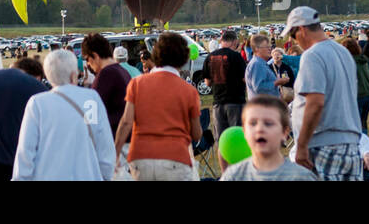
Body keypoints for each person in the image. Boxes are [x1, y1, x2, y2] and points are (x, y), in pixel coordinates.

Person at [12, 49, 114, 181]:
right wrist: (105, 175)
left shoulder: (37, 103)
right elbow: (104, 147)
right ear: (73, 75)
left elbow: (25, 153)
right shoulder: (91, 99)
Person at [286, 6, 362, 180]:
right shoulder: (343, 52)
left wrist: (302, 145)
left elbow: (315, 103)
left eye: (293, 35)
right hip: (350, 143)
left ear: (302, 30)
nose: (295, 41)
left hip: (323, 144)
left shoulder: (312, 55)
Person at [114, 32, 202, 181]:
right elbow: (196, 134)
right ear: (183, 58)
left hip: (141, 159)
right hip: (175, 158)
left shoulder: (137, 84)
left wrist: (115, 153)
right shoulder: (189, 91)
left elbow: (126, 123)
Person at [220, 95, 316, 181]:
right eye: (253, 123)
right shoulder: (233, 176)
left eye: (268, 123)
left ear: (284, 133)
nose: (260, 129)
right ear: (244, 131)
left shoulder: (301, 177)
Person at [198, 28, 247, 169]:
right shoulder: (236, 57)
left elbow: (207, 83)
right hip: (236, 102)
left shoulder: (210, 57)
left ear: (221, 41)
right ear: (234, 41)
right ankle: (238, 171)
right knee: (237, 138)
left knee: (222, 140)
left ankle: (225, 174)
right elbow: (245, 78)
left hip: (218, 102)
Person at [80, 33, 130, 138]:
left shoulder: (106, 75)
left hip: (113, 140)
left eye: (87, 59)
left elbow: (91, 116)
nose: (88, 64)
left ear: (95, 56)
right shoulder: (123, 71)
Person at [339, 37, 369, 131]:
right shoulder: (363, 60)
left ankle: (360, 143)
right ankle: (365, 141)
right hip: (368, 93)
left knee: (355, 123)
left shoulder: (349, 62)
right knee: (363, 122)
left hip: (358, 94)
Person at [245, 34, 279, 98]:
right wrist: (277, 82)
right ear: (257, 49)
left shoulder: (261, 63)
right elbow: (259, 87)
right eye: (267, 47)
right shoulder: (257, 64)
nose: (270, 49)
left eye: (270, 47)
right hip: (262, 105)